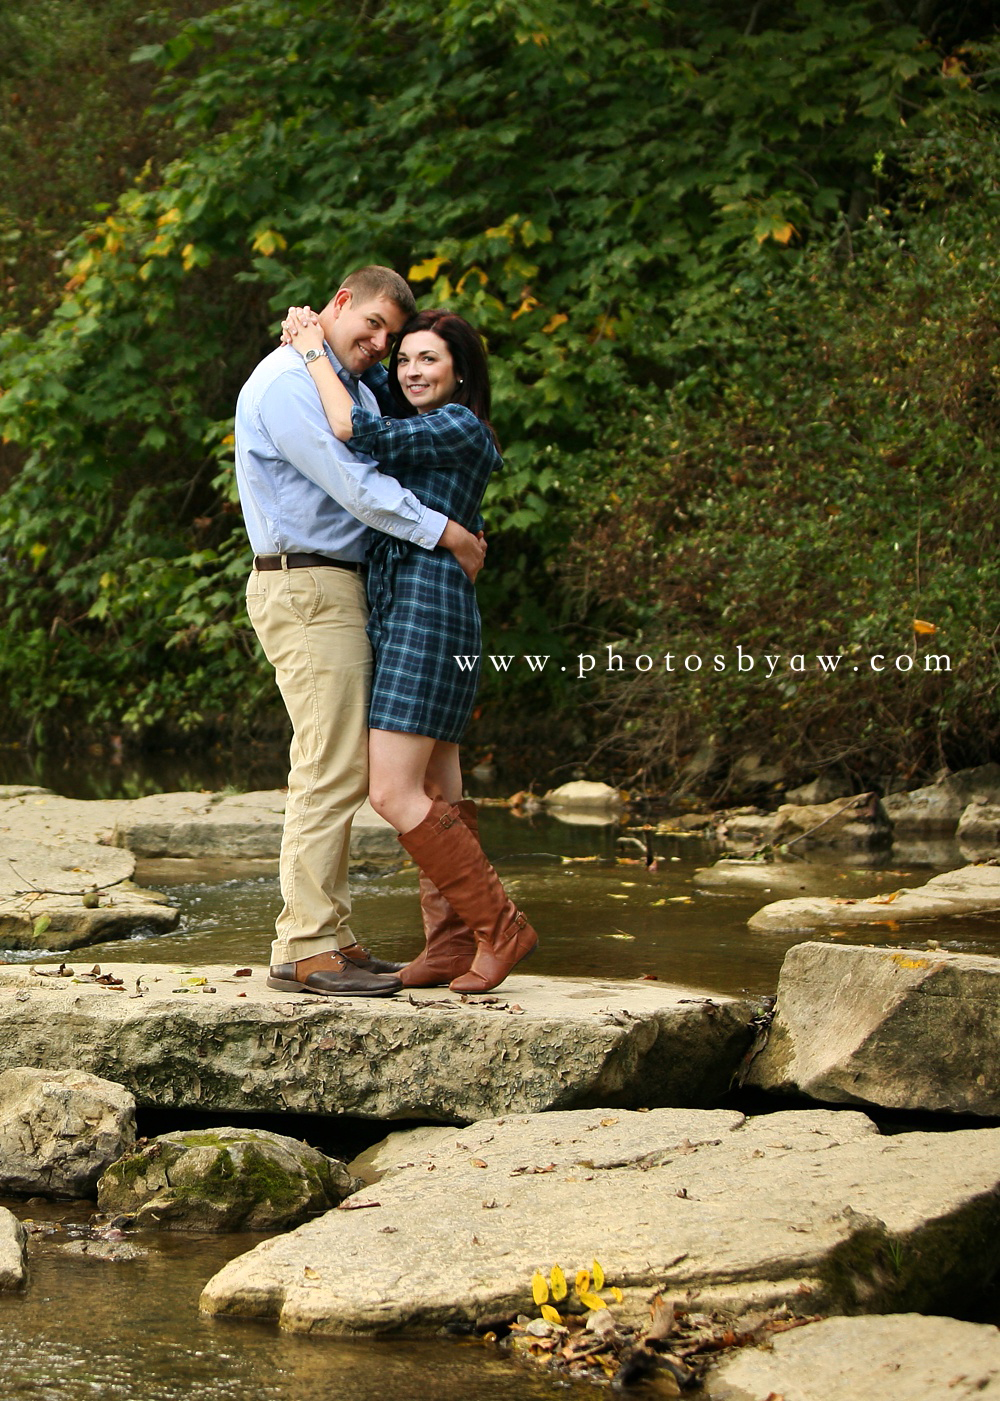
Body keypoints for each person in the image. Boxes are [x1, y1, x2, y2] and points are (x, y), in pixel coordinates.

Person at [235, 266, 486, 999]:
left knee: (341, 759)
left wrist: (319, 348)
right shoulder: (288, 386)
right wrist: (448, 532)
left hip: (334, 585)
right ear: (338, 302)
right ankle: (306, 945)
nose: (381, 344)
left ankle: (333, 934)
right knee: (331, 763)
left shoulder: (333, 376)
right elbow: (355, 485)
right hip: (306, 584)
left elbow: (378, 433)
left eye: (391, 337)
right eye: (372, 325)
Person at [282, 303, 538, 993]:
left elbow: (351, 423)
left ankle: (500, 926)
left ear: (462, 373)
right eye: (405, 358)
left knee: (392, 791)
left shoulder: (459, 425)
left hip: (428, 610)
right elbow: (364, 381)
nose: (411, 369)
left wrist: (309, 349)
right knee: (436, 789)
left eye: (430, 358)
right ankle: (453, 945)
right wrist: (321, 328)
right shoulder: (427, 417)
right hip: (414, 607)